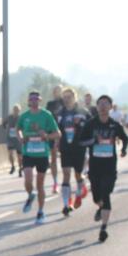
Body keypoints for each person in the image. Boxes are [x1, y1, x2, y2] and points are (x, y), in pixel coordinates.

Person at [77, 95, 128, 243]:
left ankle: (104, 228)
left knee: (106, 194)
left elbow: (125, 138)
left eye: (106, 104)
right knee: (97, 197)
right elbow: (81, 142)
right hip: (95, 166)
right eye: (100, 103)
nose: (103, 106)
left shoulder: (114, 125)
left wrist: (124, 149)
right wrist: (94, 141)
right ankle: (100, 208)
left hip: (109, 165)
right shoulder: (91, 124)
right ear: (97, 106)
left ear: (111, 107)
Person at [17, 91, 61, 224]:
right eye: (31, 99)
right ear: (28, 101)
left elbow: (58, 133)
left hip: (42, 154)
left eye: (36, 99)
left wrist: (46, 136)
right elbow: (17, 129)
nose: (34, 101)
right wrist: (20, 138)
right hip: (28, 153)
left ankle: (41, 211)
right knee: (28, 179)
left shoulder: (46, 115)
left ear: (40, 100)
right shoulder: (24, 116)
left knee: (40, 184)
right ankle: (30, 195)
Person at [53, 88, 90, 216]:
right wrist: (56, 142)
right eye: (65, 97)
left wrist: (80, 124)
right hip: (65, 147)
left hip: (79, 147)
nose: (67, 99)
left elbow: (90, 127)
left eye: (69, 97)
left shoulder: (82, 112)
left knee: (78, 175)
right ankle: (66, 204)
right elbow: (55, 129)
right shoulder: (59, 114)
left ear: (74, 97)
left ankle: (80, 190)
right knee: (66, 174)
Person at [46, 86, 64, 193]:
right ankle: (55, 182)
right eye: (54, 91)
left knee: (66, 159)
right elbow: (46, 118)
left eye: (58, 91)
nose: (56, 92)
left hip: (64, 133)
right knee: (53, 159)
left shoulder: (65, 102)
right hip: (53, 132)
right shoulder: (50, 104)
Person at [4, 104, 23, 175]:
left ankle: (20, 168)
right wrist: (7, 129)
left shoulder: (21, 118)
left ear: (19, 111)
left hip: (18, 138)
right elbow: (4, 124)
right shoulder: (9, 117)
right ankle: (12, 166)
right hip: (10, 138)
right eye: (14, 110)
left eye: (17, 110)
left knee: (19, 155)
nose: (15, 111)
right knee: (10, 153)